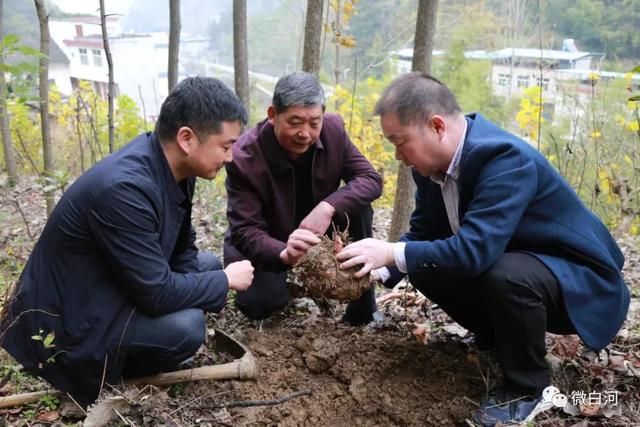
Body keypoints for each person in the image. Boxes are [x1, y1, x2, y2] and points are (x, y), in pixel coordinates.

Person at [337, 72, 630, 426]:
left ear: (436, 126)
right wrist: (378, 269)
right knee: (426, 265)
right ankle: (500, 342)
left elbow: (474, 251)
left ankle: (527, 387)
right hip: (519, 266)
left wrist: (390, 252)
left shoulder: (504, 159)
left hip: (578, 282)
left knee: (503, 275)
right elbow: (423, 233)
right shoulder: (429, 167)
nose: (398, 155)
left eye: (400, 142)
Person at [0, 77, 254, 407]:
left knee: (203, 265)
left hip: (109, 285)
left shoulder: (177, 170)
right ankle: (98, 373)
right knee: (187, 327)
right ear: (187, 138)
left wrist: (205, 283)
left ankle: (142, 343)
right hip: (69, 324)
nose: (231, 157)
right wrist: (223, 281)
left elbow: (182, 247)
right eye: (225, 146)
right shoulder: (123, 188)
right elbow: (157, 293)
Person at [224, 71, 383, 324]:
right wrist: (284, 252)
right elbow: (246, 230)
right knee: (259, 305)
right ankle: (288, 285)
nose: (305, 133)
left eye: (313, 123)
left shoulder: (333, 130)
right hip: (270, 241)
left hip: (318, 231)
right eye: (295, 122)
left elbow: (370, 179)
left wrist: (328, 206)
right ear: (273, 115)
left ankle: (363, 307)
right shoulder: (244, 157)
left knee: (358, 207)